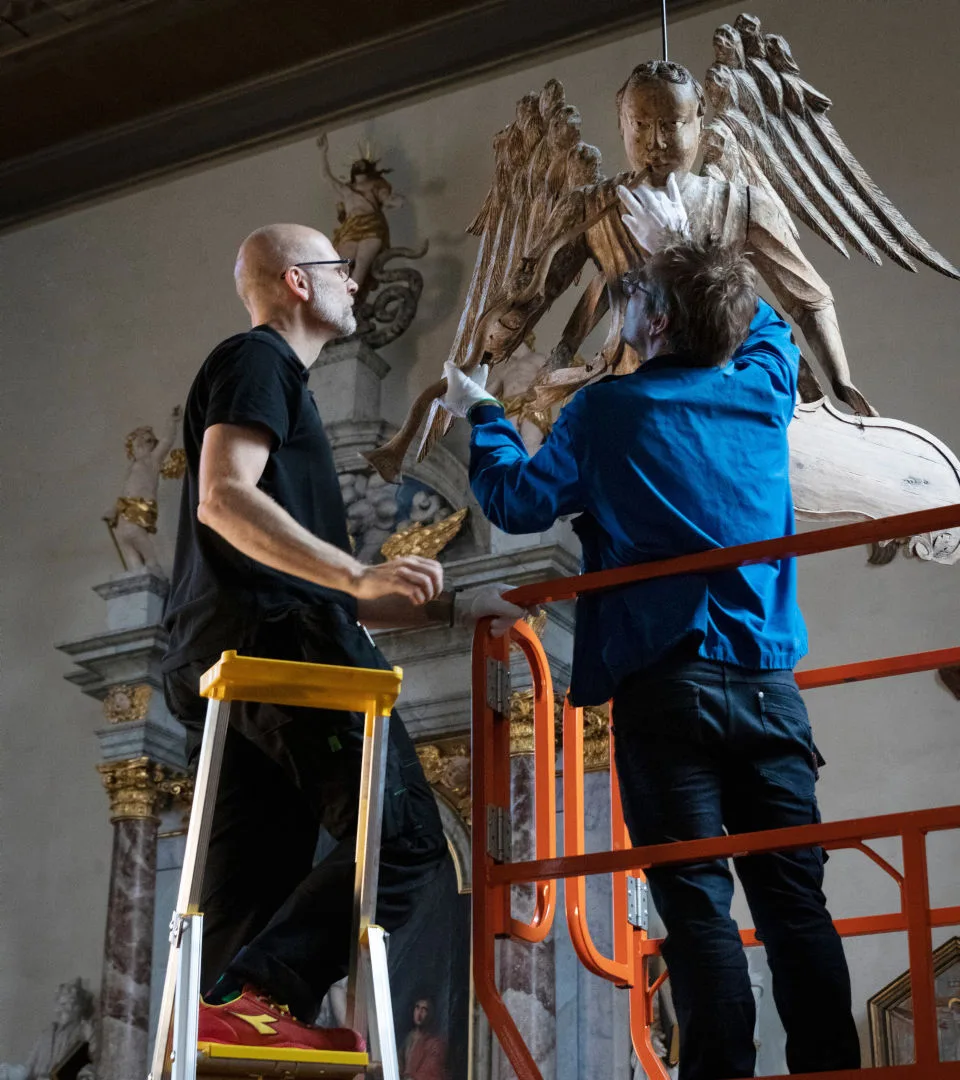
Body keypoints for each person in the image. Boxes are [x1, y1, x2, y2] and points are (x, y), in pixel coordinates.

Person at [442, 184, 861, 1077]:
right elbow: (774, 332)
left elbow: (516, 501)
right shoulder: (758, 393)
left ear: (657, 321)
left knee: (700, 908)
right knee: (797, 907)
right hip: (769, 692)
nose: (620, 309)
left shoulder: (607, 412)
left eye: (634, 299)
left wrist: (482, 415)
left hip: (665, 692)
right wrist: (704, 255)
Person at [162, 223, 525, 1053]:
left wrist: (450, 604)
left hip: (237, 649)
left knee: (249, 891)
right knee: (402, 842)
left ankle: (227, 1036)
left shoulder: (274, 380)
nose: (355, 282)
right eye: (340, 269)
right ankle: (263, 992)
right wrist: (358, 578)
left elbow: (302, 579)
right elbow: (223, 497)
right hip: (277, 642)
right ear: (296, 281)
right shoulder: (257, 360)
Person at [399, 996, 449, 1080]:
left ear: (430, 1014)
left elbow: (430, 1072)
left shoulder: (436, 1044)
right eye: (417, 1007)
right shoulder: (409, 1038)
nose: (419, 1013)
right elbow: (399, 1064)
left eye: (424, 1009)